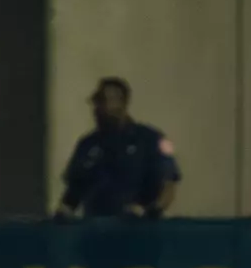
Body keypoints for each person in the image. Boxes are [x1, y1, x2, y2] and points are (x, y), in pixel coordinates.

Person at [55, 78, 180, 219]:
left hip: (140, 233)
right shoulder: (88, 144)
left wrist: (153, 211)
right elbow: (73, 192)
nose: (97, 109)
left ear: (122, 103)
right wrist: (63, 214)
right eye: (96, 102)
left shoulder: (151, 139)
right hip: (95, 232)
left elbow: (169, 183)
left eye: (103, 101)